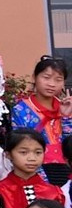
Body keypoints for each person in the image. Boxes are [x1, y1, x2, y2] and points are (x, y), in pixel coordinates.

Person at [11, 56, 71, 186]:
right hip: (36, 169)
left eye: (58, 80)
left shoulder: (66, 107)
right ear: (34, 77)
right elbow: (20, 144)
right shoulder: (21, 109)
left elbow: (69, 144)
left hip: (67, 169)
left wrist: (66, 117)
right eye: (46, 77)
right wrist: (42, 181)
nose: (51, 84)